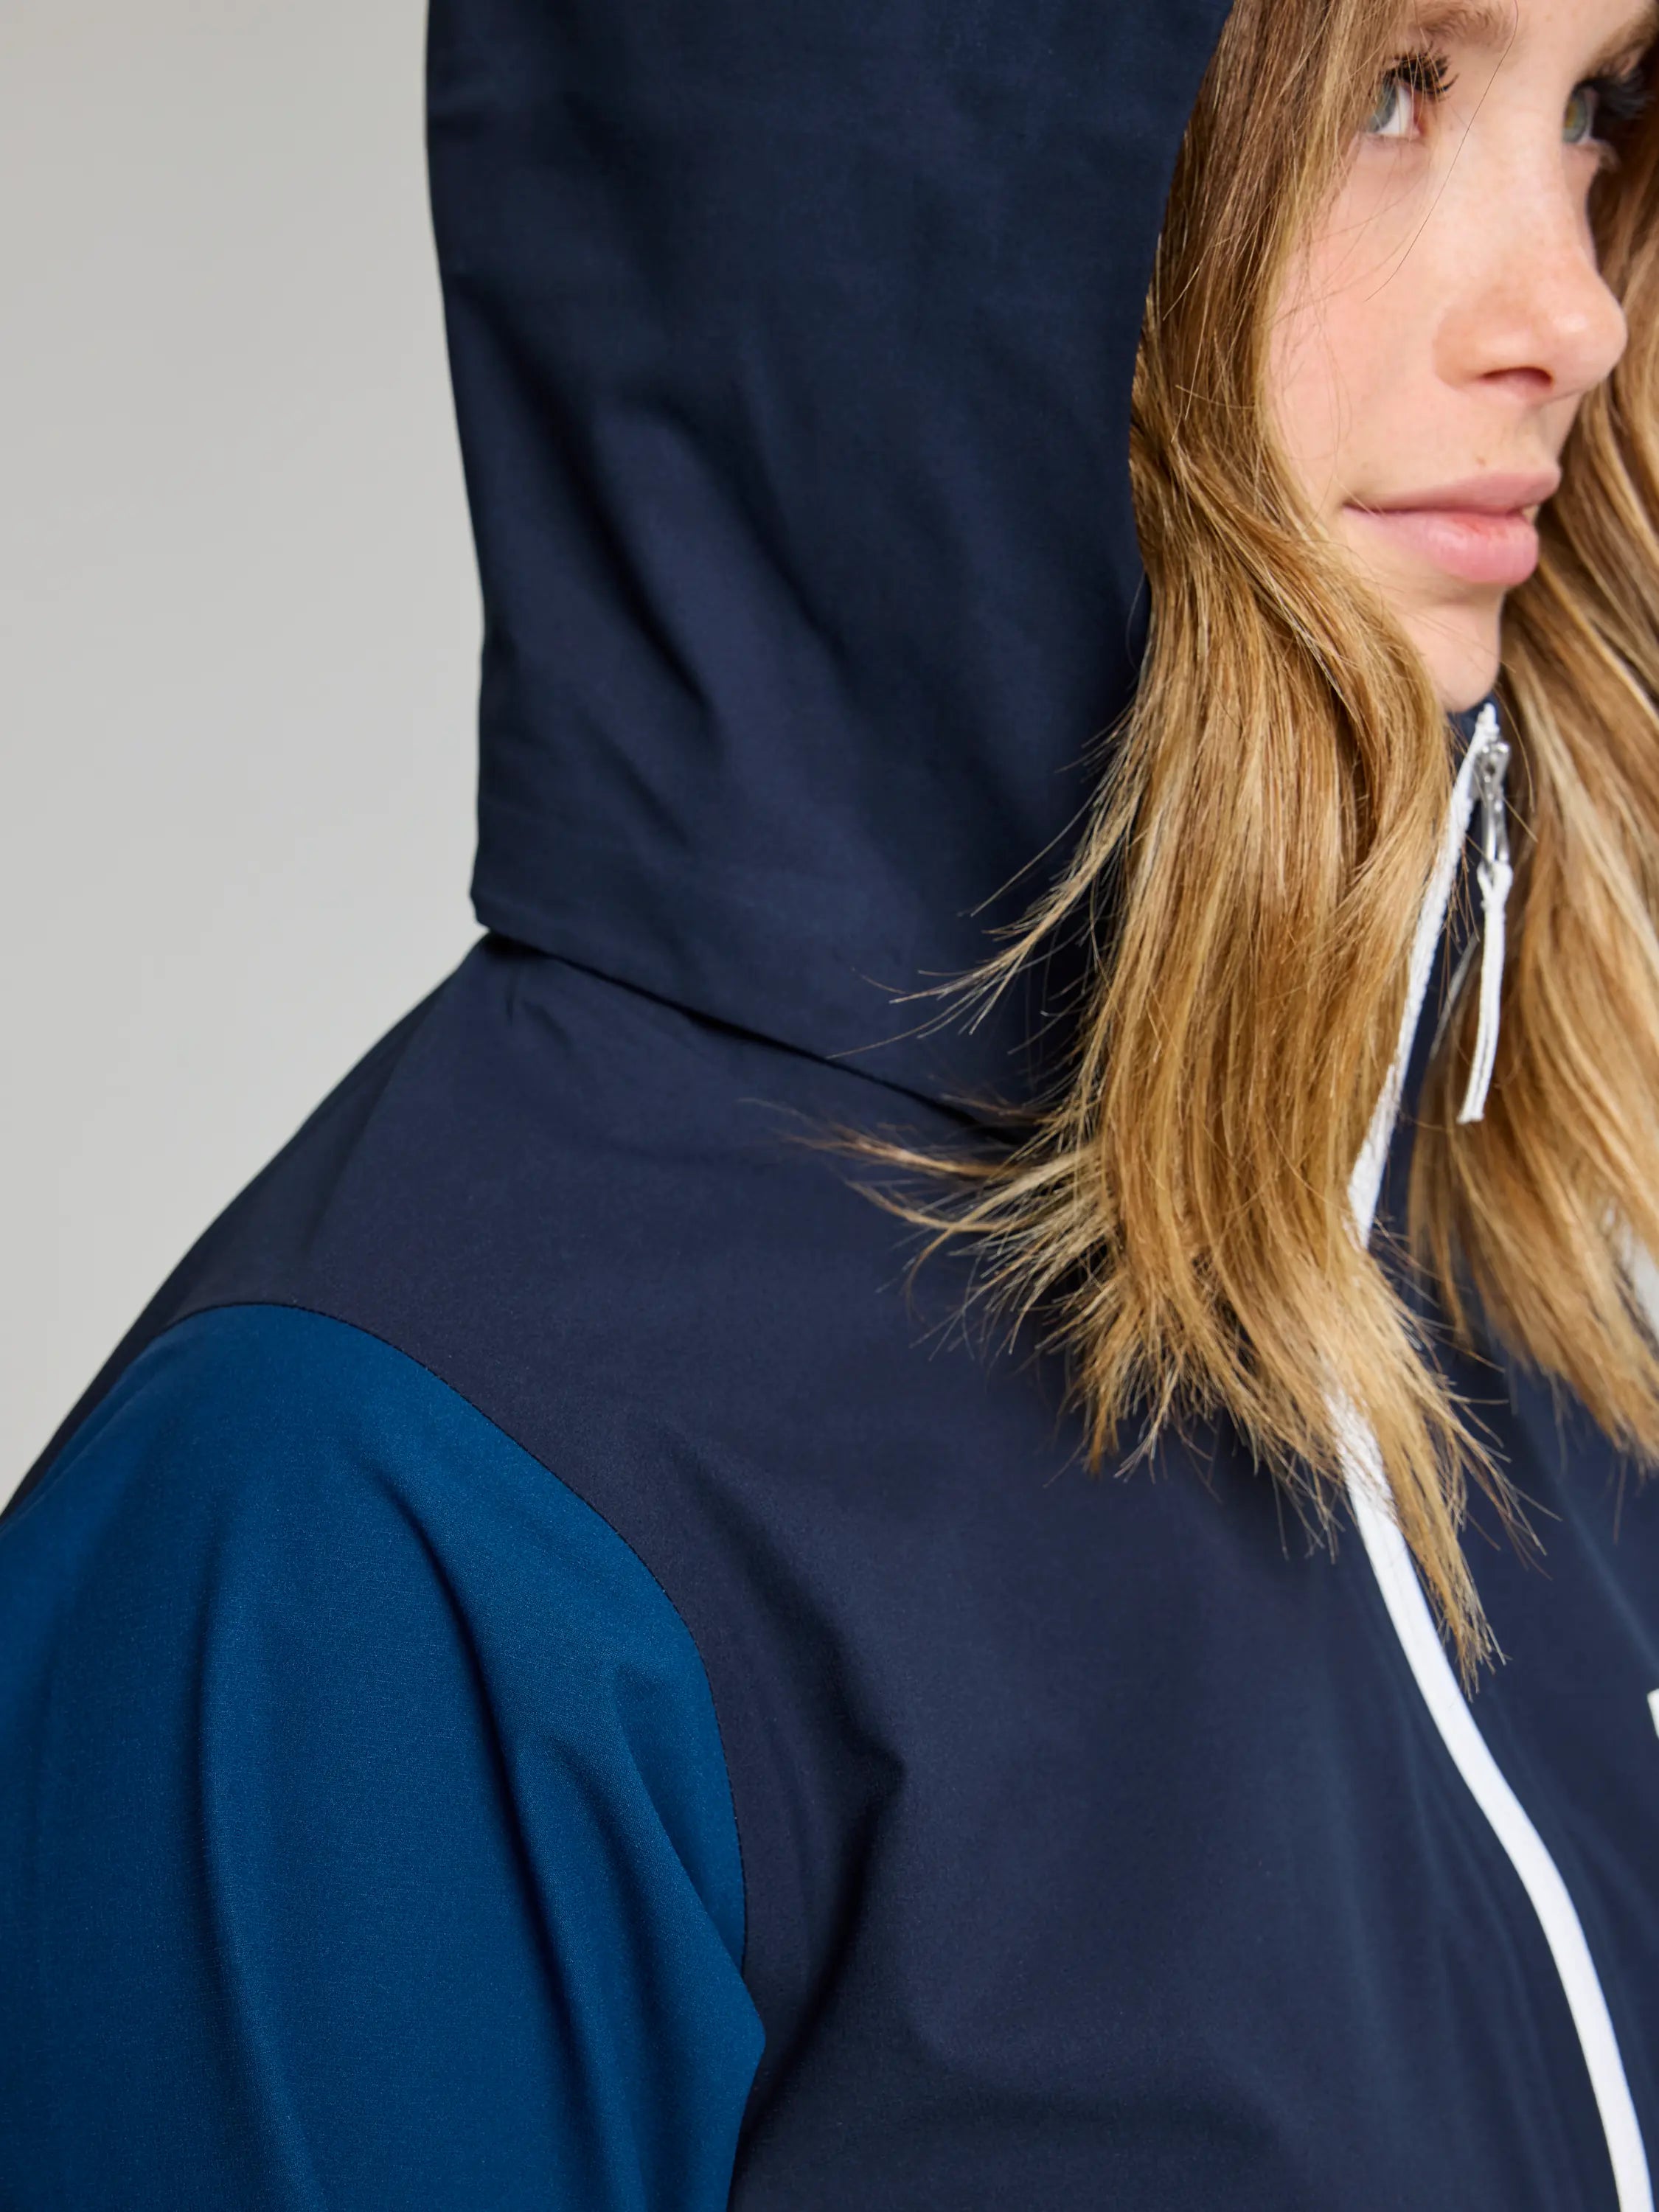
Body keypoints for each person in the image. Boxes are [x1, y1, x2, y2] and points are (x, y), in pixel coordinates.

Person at [2, 0, 1656, 2202]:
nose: (1569, 311)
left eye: (1597, 108)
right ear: (890, 150)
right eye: (1390, 90)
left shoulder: (1491, 1318)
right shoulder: (354, 1540)